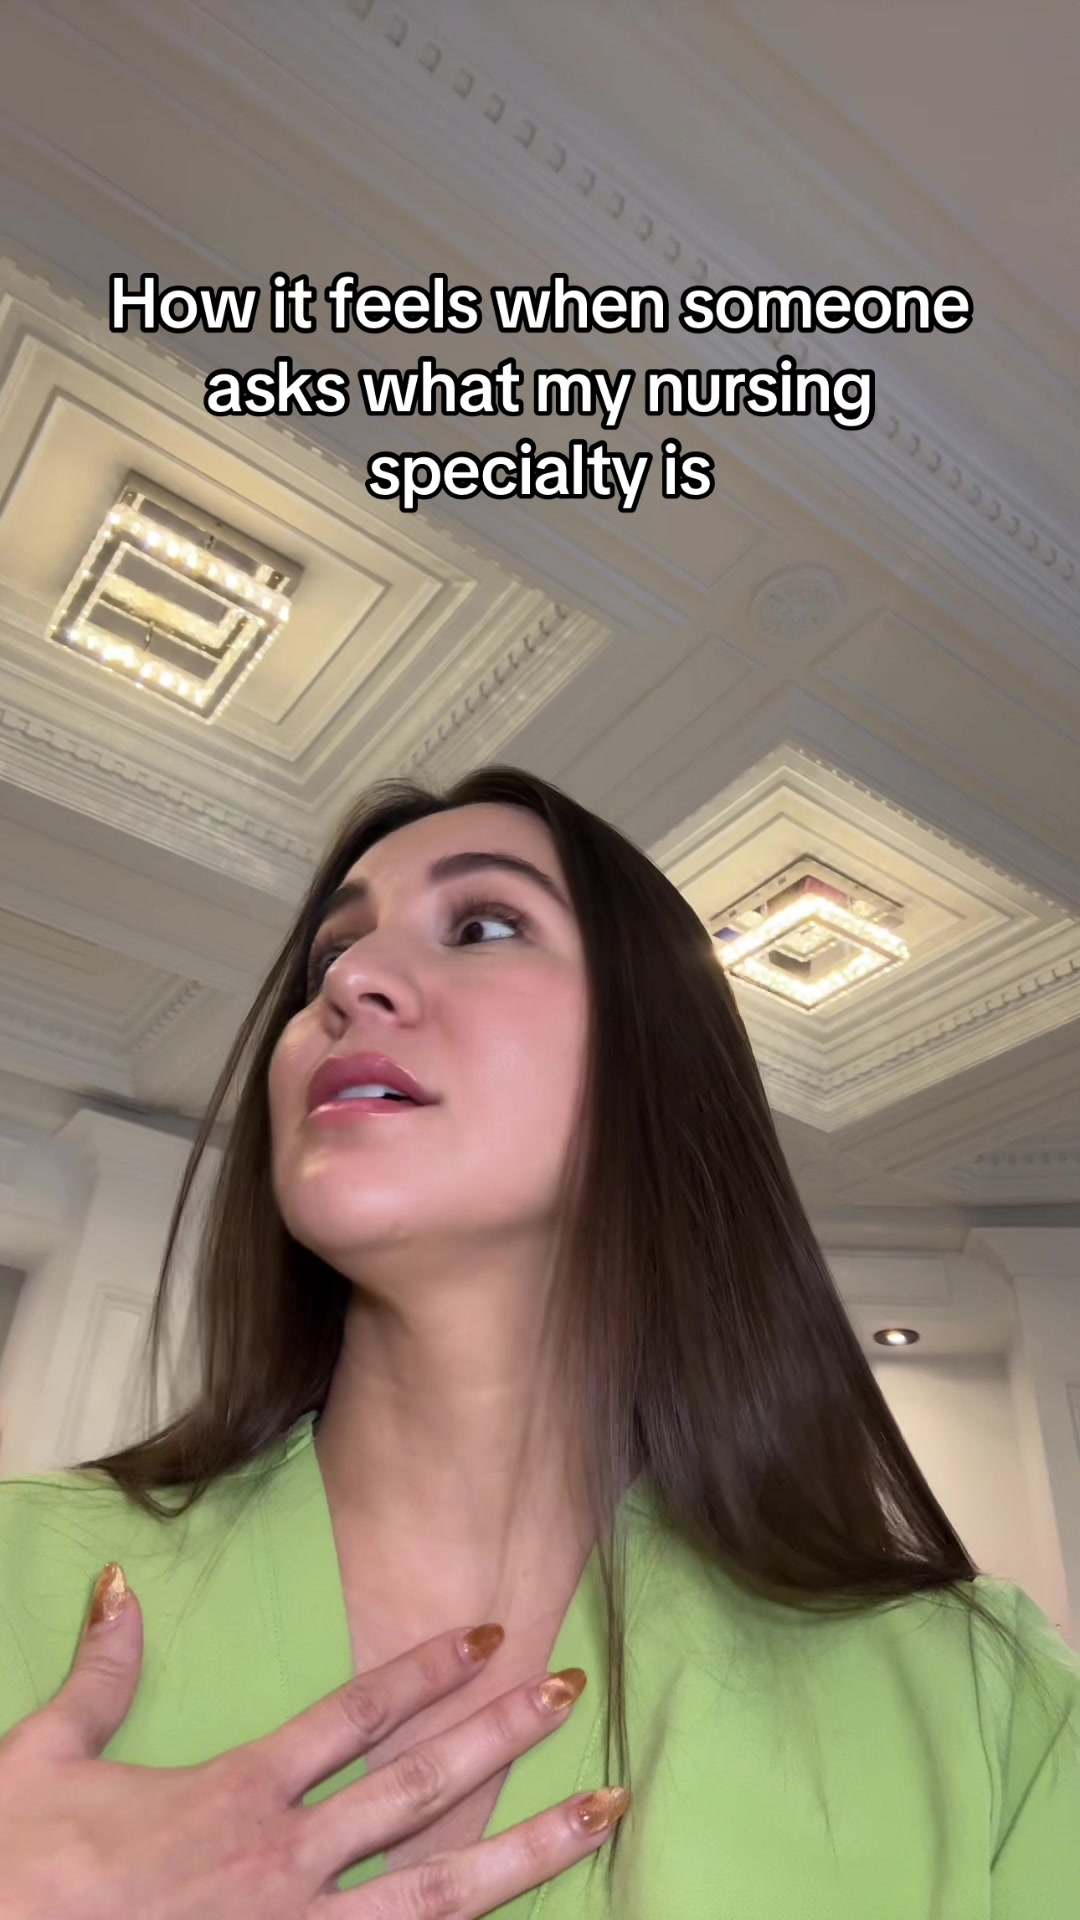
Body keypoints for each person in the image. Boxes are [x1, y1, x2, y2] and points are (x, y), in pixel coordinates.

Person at [0, 764, 1077, 1919]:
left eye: (483, 926)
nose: (350, 982)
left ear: (656, 1064)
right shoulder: (23, 1567)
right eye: (329, 957)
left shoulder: (985, 1707)